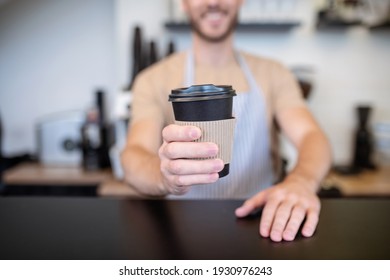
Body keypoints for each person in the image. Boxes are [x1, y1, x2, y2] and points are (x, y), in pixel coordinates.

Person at [121, 0, 332, 242]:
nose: (213, 2)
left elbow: (311, 136)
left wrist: (301, 181)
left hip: (260, 225)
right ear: (183, 3)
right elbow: (134, 154)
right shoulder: (152, 80)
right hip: (182, 231)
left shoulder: (274, 73)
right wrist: (165, 176)